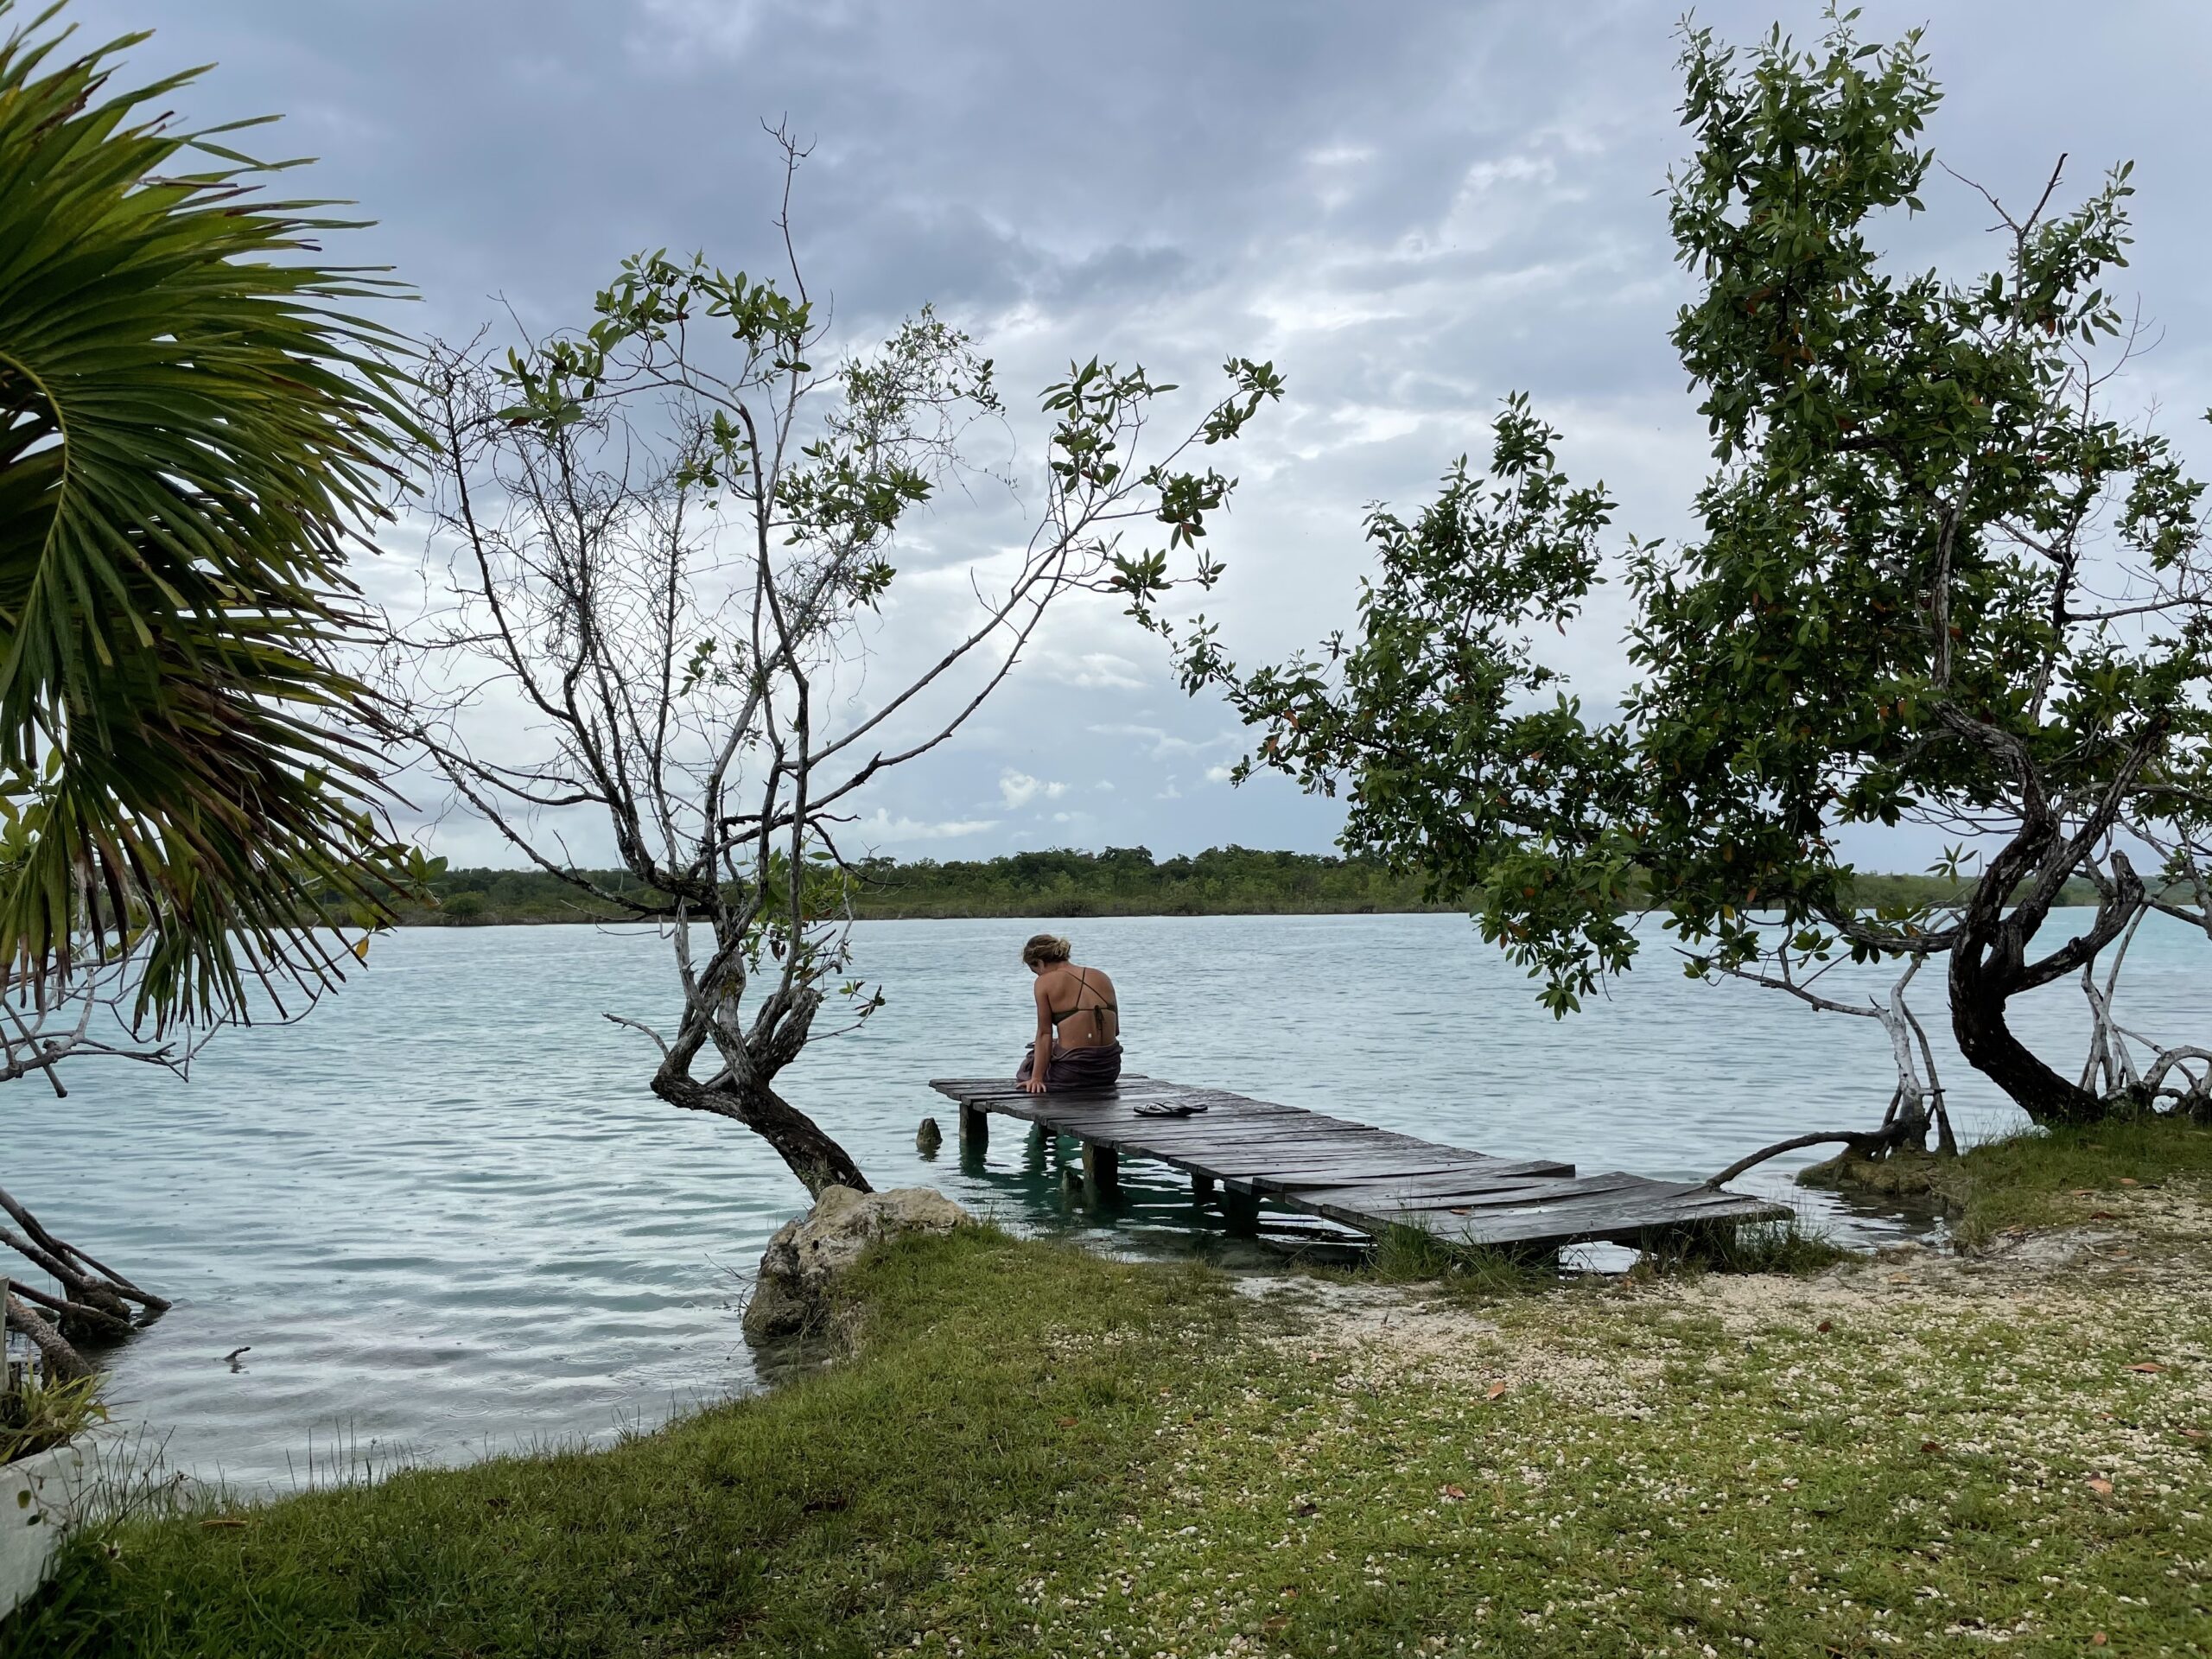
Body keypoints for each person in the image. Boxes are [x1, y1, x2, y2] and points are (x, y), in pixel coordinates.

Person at [1014, 932, 1122, 1094]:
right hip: (1109, 1070)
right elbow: (1115, 1030)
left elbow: (1044, 1033)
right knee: (1052, 1047)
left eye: (1035, 971)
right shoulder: (1102, 976)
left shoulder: (1044, 982)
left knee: (1031, 1060)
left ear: (1040, 963)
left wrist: (1036, 1078)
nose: (1038, 976)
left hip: (1073, 1074)